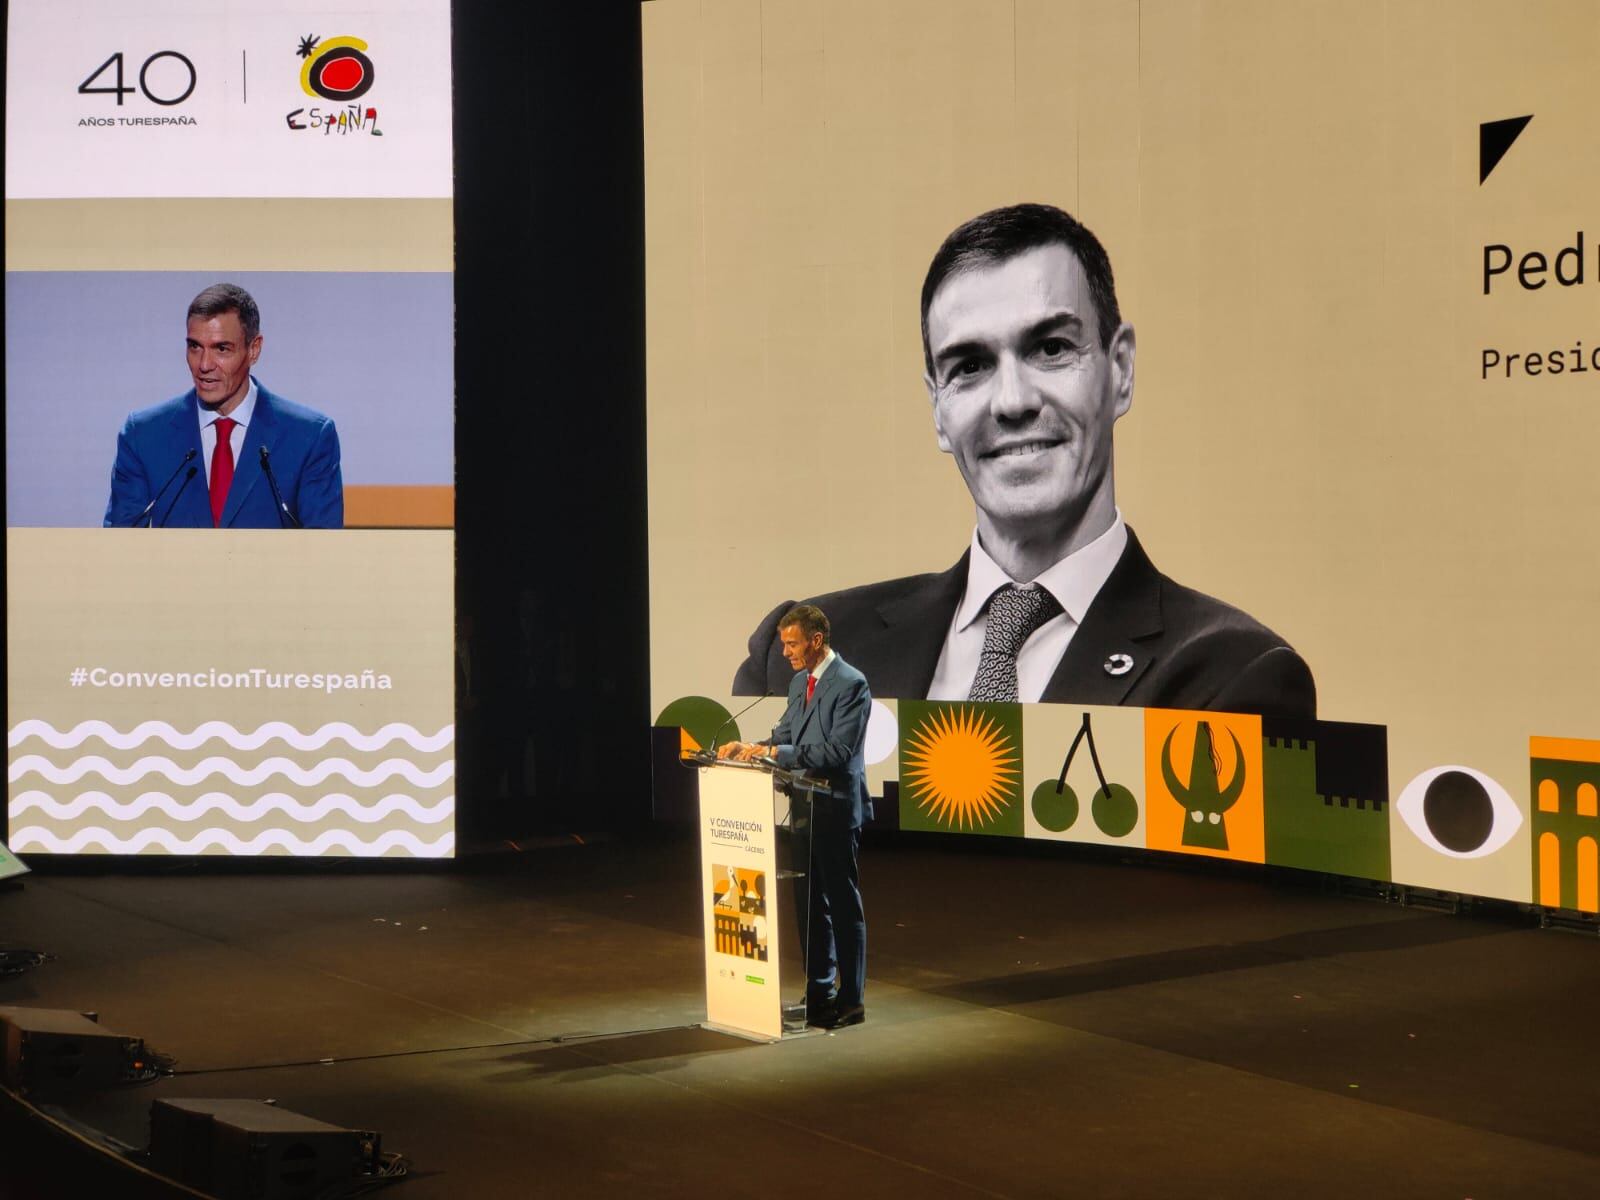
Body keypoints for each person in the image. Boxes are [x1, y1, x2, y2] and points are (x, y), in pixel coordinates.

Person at [733, 204, 1314, 717]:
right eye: (969, 366)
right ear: (938, 407)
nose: (1012, 402)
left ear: (1121, 371)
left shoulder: (1235, 676)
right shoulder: (800, 658)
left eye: (1051, 348)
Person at [719, 604, 871, 1028]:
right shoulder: (798, 683)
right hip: (802, 807)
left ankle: (852, 999)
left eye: (792, 643)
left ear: (815, 641)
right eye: (784, 644)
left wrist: (776, 752)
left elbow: (839, 752)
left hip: (836, 808)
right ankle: (818, 991)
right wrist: (751, 746)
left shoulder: (851, 683)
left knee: (842, 905)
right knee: (807, 906)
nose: (785, 652)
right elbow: (787, 735)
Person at [103, 283, 343, 528]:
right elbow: (120, 550)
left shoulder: (309, 438)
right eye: (195, 346)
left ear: (254, 350)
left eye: (221, 348)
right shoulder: (143, 435)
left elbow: (323, 557)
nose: (204, 365)